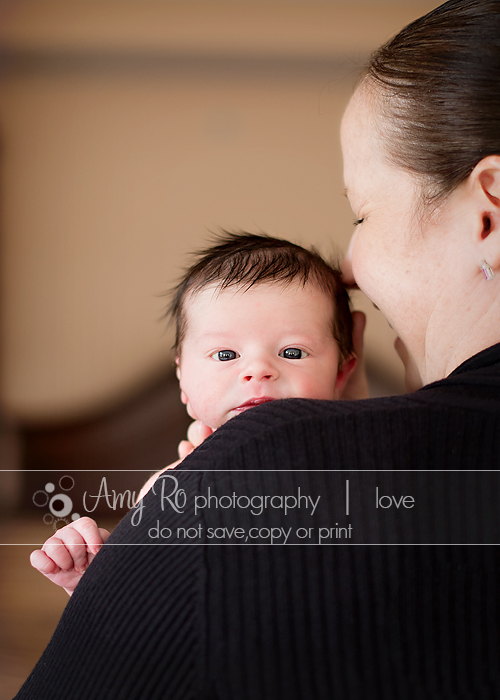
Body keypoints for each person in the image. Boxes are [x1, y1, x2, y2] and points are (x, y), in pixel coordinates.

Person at [15, 1, 500, 697]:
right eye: (223, 357)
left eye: (363, 212)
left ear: (489, 210)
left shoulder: (249, 473)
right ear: (182, 376)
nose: (351, 269)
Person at [30, 232, 356, 596]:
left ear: (341, 374)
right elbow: (149, 592)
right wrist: (97, 570)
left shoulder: (351, 467)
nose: (258, 370)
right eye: (225, 354)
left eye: (293, 353)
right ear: (183, 379)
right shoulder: (169, 487)